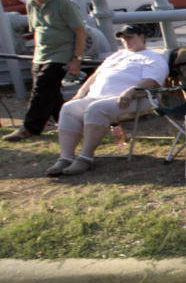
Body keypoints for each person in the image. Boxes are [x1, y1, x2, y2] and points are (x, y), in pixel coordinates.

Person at [44, 24, 168, 176]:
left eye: (129, 37)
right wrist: (81, 92)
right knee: (69, 108)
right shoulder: (116, 55)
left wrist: (130, 91)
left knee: (96, 109)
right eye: (123, 39)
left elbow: (152, 80)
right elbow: (96, 75)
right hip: (97, 96)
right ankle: (66, 157)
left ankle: (85, 158)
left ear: (142, 37)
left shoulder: (153, 57)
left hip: (133, 98)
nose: (126, 41)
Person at [4, 0, 86, 142]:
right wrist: (35, 58)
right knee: (51, 93)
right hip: (41, 55)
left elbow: (80, 32)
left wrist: (76, 59)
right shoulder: (31, 4)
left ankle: (30, 127)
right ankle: (68, 124)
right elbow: (38, 32)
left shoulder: (62, 3)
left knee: (42, 88)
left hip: (61, 54)